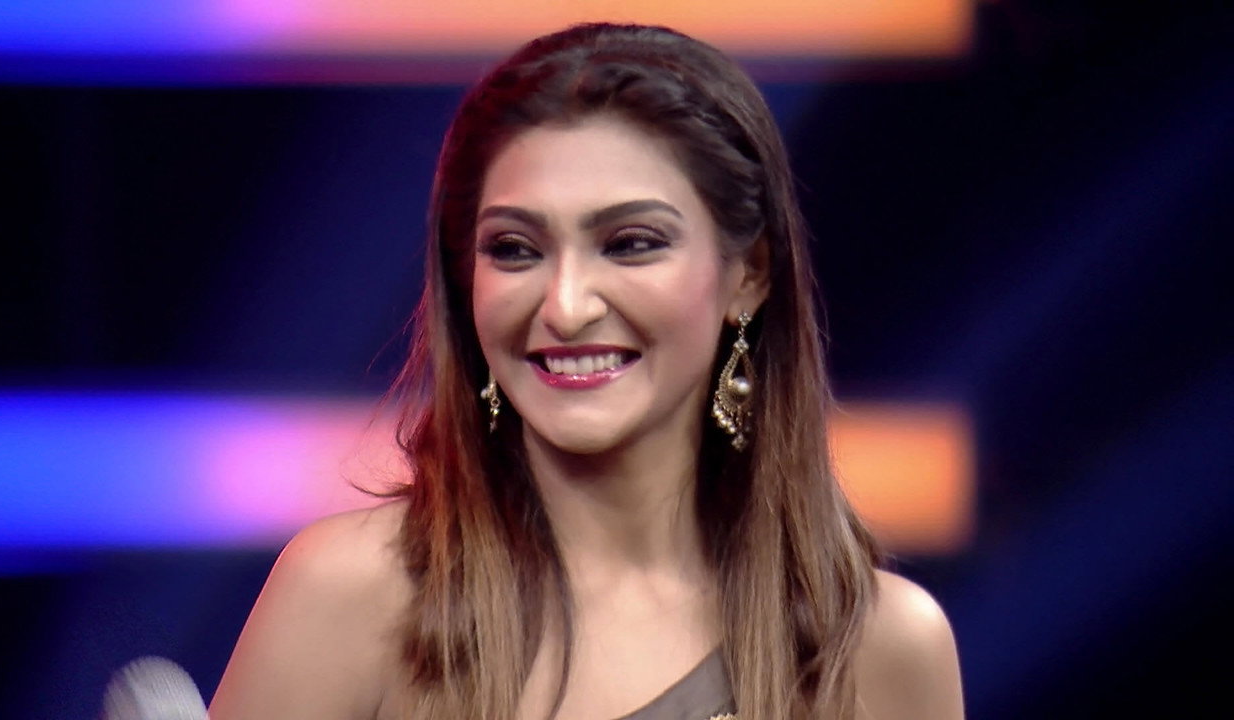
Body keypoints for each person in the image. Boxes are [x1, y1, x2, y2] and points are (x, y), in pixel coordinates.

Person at [209, 23, 963, 720]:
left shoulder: (880, 645)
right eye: (515, 249)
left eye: (631, 243)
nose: (566, 307)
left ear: (750, 273)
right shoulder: (349, 596)